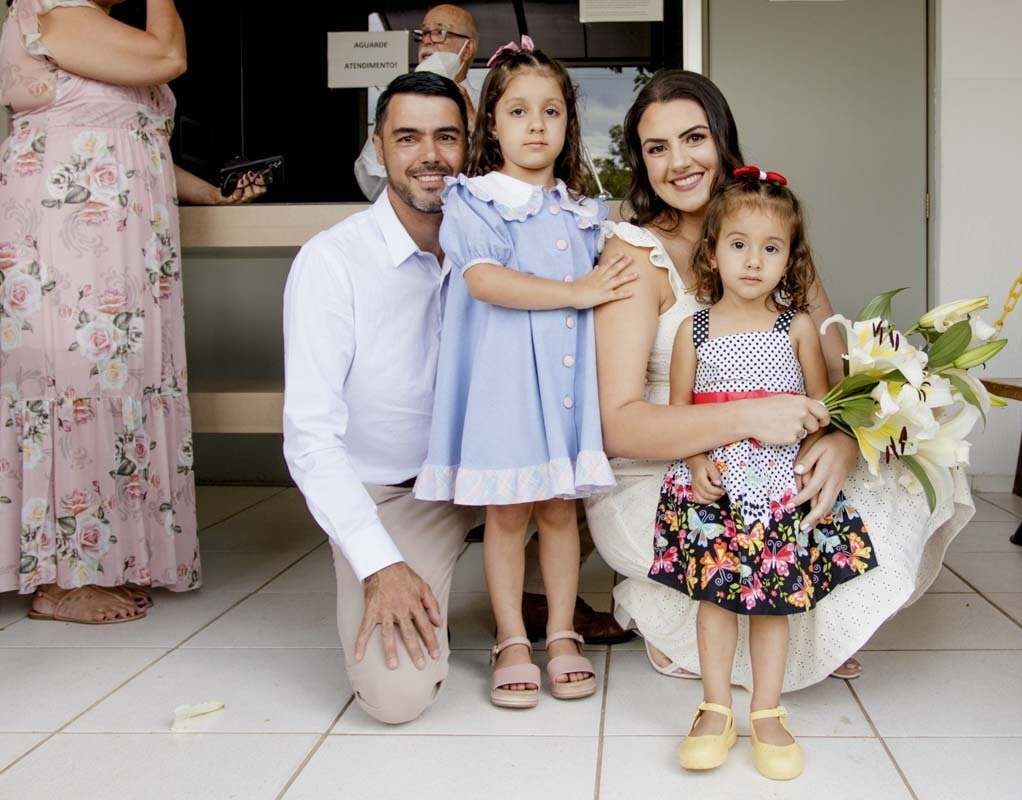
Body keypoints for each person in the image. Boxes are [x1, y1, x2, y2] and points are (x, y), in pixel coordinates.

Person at [585, 70, 976, 692]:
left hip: (776, 456)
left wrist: (841, 442)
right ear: (641, 161)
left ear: (722, 139)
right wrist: (748, 417)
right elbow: (618, 424)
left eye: (694, 138)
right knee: (742, 527)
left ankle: (816, 626)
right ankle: (684, 620)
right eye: (657, 148)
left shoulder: (772, 233)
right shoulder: (634, 254)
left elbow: (836, 371)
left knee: (906, 467)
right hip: (667, 469)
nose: (679, 162)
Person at [0, 0, 261, 624]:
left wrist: (213, 194)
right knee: (77, 380)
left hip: (125, 247)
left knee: (118, 382)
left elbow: (134, 140)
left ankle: (103, 560)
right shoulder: (55, 11)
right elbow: (168, 56)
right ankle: (61, 581)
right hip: (69, 241)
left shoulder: (99, 33)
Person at [413, 38, 636, 708]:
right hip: (506, 390)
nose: (536, 125)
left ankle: (561, 630)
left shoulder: (581, 210)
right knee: (508, 515)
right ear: (493, 123)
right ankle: (511, 637)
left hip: (564, 391)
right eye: (518, 111)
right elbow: (486, 281)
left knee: (561, 513)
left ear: (569, 122)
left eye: (551, 111)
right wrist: (576, 292)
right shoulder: (475, 200)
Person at [661, 169, 877, 779]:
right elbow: (678, 417)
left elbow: (821, 410)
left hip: (779, 486)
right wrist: (696, 461)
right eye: (739, 244)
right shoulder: (693, 330)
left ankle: (766, 710)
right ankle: (714, 707)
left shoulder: (797, 327)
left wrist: (814, 458)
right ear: (712, 252)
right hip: (715, 487)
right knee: (714, 599)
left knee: (770, 603)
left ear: (791, 259)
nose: (754, 261)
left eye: (771, 248)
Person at [284, 71, 478, 724]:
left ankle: (535, 595)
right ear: (378, 147)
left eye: (447, 136)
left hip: (494, 473)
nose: (431, 155)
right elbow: (310, 438)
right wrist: (379, 564)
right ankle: (396, 565)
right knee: (396, 697)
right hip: (397, 494)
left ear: (469, 145)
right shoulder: (332, 262)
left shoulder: (496, 246)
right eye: (408, 137)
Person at [354, 4, 480, 201]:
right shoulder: (398, 103)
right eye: (423, 33)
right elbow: (371, 179)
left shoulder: (487, 104)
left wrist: (477, 126)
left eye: (439, 33)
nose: (427, 40)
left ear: (468, 48)